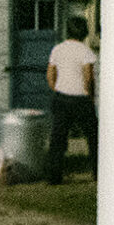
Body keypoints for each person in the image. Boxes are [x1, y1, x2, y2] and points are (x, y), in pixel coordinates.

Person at [45, 16, 98, 186]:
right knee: (93, 136)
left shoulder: (57, 49)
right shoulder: (86, 51)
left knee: (58, 138)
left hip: (62, 97)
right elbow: (88, 78)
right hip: (81, 98)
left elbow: (50, 74)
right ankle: (98, 173)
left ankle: (54, 177)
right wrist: (90, 95)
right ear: (84, 33)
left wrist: (57, 88)